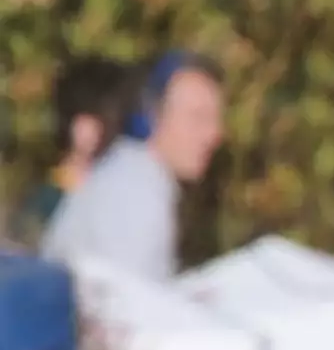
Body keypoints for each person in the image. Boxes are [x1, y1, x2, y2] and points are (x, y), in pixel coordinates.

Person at [45, 49, 220, 283]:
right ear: (149, 117)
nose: (214, 133)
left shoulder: (132, 176)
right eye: (198, 117)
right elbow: (129, 311)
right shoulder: (135, 191)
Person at [17, 55, 135, 250]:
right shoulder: (47, 200)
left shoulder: (122, 193)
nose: (93, 129)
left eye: (102, 119)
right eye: (85, 117)